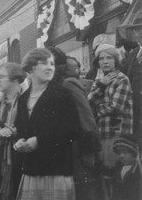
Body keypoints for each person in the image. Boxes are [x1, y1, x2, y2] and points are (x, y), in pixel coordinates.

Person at [14, 48, 80, 200]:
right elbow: (23, 129)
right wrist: (20, 141)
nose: (50, 67)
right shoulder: (23, 98)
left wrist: (39, 141)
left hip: (56, 169)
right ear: (31, 68)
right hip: (32, 168)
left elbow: (73, 129)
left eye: (52, 63)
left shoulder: (62, 94)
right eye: (44, 63)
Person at [48, 47, 104, 200]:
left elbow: (86, 118)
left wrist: (89, 151)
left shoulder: (67, 84)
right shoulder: (51, 86)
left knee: (82, 191)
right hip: (63, 150)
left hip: (77, 149)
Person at [88, 44, 134, 194]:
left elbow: (116, 107)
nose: (105, 61)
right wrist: (102, 85)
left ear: (115, 60)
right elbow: (88, 103)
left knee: (116, 174)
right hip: (102, 132)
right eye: (101, 58)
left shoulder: (122, 79)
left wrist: (98, 109)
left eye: (109, 58)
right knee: (104, 174)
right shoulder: (100, 81)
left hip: (117, 133)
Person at [0, 63, 26, 200]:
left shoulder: (27, 100)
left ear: (15, 78)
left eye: (1, 76)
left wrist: (16, 133)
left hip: (20, 157)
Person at [121, 17, 142, 148]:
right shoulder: (133, 54)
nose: (141, 32)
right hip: (135, 112)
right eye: (137, 29)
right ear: (134, 33)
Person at [112, 134, 141, 200]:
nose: (121, 155)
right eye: (119, 153)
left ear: (134, 153)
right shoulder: (119, 166)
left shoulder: (137, 170)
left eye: (125, 152)